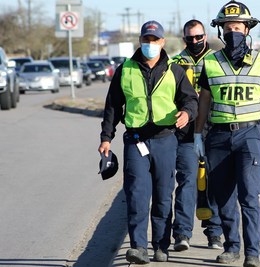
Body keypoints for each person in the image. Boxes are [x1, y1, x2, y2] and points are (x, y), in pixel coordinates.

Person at [193, 1, 260, 267]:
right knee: (224, 197)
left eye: (237, 27)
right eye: (228, 27)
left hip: (249, 135)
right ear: (221, 31)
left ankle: (252, 252)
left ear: (247, 29)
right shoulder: (211, 63)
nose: (232, 32)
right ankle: (232, 247)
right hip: (217, 136)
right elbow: (204, 100)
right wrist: (197, 135)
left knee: (249, 196)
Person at [98, 20, 198, 264]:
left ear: (162, 42)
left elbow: (191, 100)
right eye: (146, 40)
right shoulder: (126, 69)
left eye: (154, 40)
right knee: (137, 194)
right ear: (140, 41)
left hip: (165, 140)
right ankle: (138, 246)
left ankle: (161, 245)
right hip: (135, 141)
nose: (150, 44)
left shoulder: (174, 70)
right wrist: (106, 137)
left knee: (164, 196)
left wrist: (186, 113)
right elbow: (113, 105)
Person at [171, 19, 223, 252]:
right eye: (190, 38)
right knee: (188, 181)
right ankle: (182, 233)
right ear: (184, 39)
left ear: (206, 35)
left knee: (213, 184)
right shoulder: (174, 63)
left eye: (198, 37)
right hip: (186, 133)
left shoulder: (218, 60)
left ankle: (214, 233)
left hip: (214, 130)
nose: (195, 41)